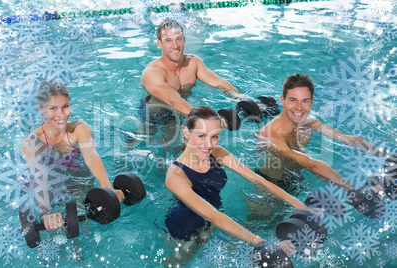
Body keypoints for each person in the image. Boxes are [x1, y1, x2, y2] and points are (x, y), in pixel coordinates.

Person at [164, 105, 320, 266]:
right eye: (201, 136)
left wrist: (301, 207)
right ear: (186, 133)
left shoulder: (217, 154)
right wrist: (265, 244)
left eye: (215, 137)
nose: (209, 144)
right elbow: (212, 215)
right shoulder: (175, 176)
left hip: (215, 219)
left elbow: (258, 180)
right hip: (183, 231)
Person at [256, 73, 387, 195]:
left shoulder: (308, 122)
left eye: (305, 101)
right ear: (282, 100)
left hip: (296, 179)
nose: (299, 107)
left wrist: (386, 156)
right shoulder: (270, 134)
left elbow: (348, 139)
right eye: (293, 100)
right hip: (269, 185)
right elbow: (312, 164)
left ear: (312, 102)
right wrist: (358, 190)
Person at [21, 81, 125, 231]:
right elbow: (39, 179)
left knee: (87, 225)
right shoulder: (32, 143)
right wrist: (45, 213)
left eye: (65, 106)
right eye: (53, 108)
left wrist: (108, 189)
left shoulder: (79, 129)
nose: (61, 114)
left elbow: (92, 157)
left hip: (79, 179)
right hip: (52, 185)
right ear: (41, 109)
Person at [140, 18, 250, 122]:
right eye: (168, 40)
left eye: (178, 39)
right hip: (154, 116)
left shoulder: (193, 63)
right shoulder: (153, 73)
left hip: (186, 110)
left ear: (184, 40)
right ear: (160, 43)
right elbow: (173, 100)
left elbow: (219, 82)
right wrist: (207, 120)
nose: (175, 45)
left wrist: (246, 99)